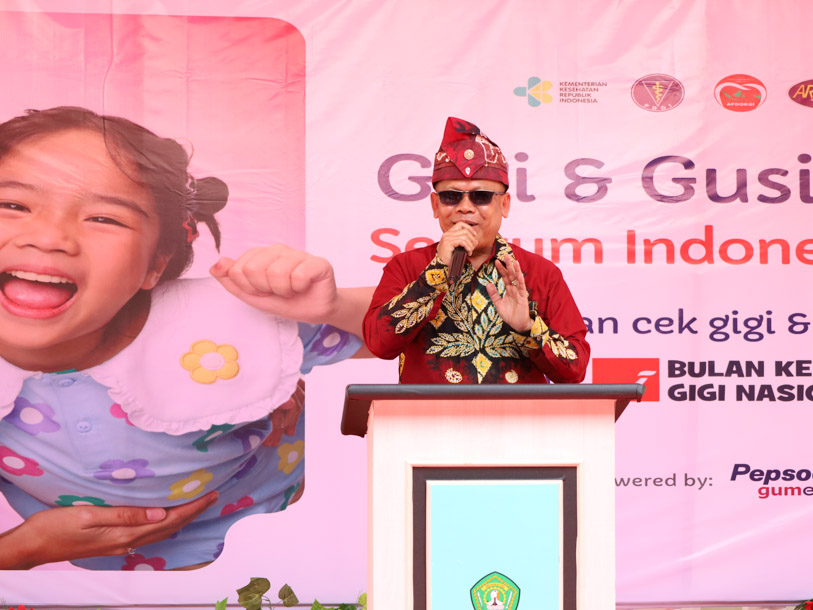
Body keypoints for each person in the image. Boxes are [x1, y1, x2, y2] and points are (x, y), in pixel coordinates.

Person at [0, 106, 372, 570]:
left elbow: (445, 329)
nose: (49, 238)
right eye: (12, 205)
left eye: (104, 218)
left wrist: (337, 307)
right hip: (72, 581)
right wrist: (19, 551)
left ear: (154, 265)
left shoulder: (226, 321)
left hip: (277, 549)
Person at [363, 117, 589, 384]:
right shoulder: (407, 267)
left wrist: (529, 328)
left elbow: (575, 369)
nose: (465, 207)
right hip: (428, 413)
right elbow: (379, 344)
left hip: (516, 413)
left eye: (481, 197)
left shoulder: (539, 272)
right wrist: (434, 277)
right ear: (435, 205)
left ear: (504, 205)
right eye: (451, 196)